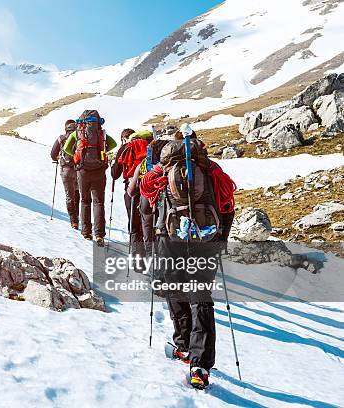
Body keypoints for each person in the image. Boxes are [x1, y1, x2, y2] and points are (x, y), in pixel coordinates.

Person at [139, 124, 236, 389]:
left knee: (174, 288)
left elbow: (145, 205)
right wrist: (220, 239)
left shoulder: (161, 171)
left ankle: (182, 345)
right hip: (206, 239)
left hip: (170, 239)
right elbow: (228, 205)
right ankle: (200, 365)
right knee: (200, 297)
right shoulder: (212, 169)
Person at [63, 110, 117, 245]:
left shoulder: (77, 133)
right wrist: (102, 153)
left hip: (83, 171)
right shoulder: (101, 133)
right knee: (99, 202)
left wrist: (77, 155)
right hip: (99, 170)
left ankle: (86, 232)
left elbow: (66, 148)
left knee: (85, 200)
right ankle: (99, 234)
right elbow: (114, 144)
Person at [113, 129, 152, 256]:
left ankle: (137, 259)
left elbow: (115, 174)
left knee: (134, 223)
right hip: (151, 190)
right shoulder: (153, 146)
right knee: (150, 223)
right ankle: (154, 255)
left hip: (132, 189)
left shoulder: (126, 147)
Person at [50, 119, 80, 229]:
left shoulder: (61, 138)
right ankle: (77, 216)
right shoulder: (80, 138)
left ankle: (74, 221)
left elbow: (53, 153)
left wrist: (58, 158)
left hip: (66, 169)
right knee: (77, 192)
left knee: (69, 195)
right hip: (78, 169)